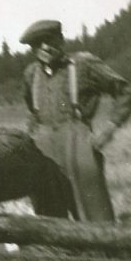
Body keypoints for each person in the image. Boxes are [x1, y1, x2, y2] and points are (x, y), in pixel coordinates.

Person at [20, 19, 131, 222]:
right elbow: (32, 109)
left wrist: (109, 129)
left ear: (61, 39)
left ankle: (102, 251)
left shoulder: (83, 64)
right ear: (33, 49)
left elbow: (125, 92)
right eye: (38, 43)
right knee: (48, 211)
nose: (45, 47)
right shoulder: (31, 73)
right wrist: (31, 135)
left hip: (78, 142)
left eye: (49, 40)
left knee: (93, 213)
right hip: (43, 146)